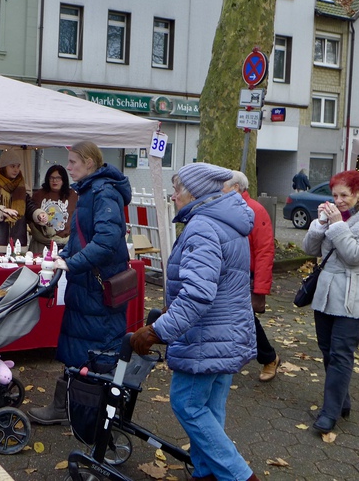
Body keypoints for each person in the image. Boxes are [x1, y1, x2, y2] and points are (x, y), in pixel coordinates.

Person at [130, 163, 259, 481]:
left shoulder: (203, 226)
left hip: (207, 337)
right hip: (226, 335)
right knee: (210, 411)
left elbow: (197, 295)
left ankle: (240, 476)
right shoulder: (228, 222)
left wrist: (157, 331)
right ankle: (206, 472)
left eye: (177, 190)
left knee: (187, 403)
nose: (173, 196)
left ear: (195, 193)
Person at [28, 141, 131, 426]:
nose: (68, 167)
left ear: (89, 162)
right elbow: (80, 237)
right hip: (87, 287)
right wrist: (64, 256)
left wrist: (70, 263)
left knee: (99, 352)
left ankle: (104, 413)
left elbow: (106, 241)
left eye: (73, 162)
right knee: (79, 348)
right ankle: (69, 406)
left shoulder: (103, 192)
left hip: (98, 289)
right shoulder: (88, 191)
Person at [302, 170, 359, 434]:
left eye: (344, 195)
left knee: (340, 353)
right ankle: (342, 402)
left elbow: (355, 255)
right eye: (334, 195)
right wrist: (319, 225)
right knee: (327, 350)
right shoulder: (334, 218)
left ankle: (329, 413)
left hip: (355, 297)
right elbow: (309, 250)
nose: (338, 201)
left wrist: (337, 226)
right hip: (326, 294)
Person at [222, 170, 279, 382]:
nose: (220, 189)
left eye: (223, 185)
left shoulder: (255, 210)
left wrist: (260, 291)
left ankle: (269, 358)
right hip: (230, 272)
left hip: (247, 275)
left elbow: (265, 251)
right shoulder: (226, 209)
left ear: (236, 188)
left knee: (246, 319)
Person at [0, 150, 48, 248]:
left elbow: (29, 206)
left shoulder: (21, 185)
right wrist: (1, 211)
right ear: (4, 167)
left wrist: (38, 214)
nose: (16, 170)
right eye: (12, 166)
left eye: (18, 166)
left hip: (17, 241)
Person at [28, 165, 78, 255]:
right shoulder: (38, 195)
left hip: (65, 245)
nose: (55, 181)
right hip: (41, 244)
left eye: (58, 178)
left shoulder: (73, 196)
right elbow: (30, 216)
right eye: (52, 178)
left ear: (63, 180)